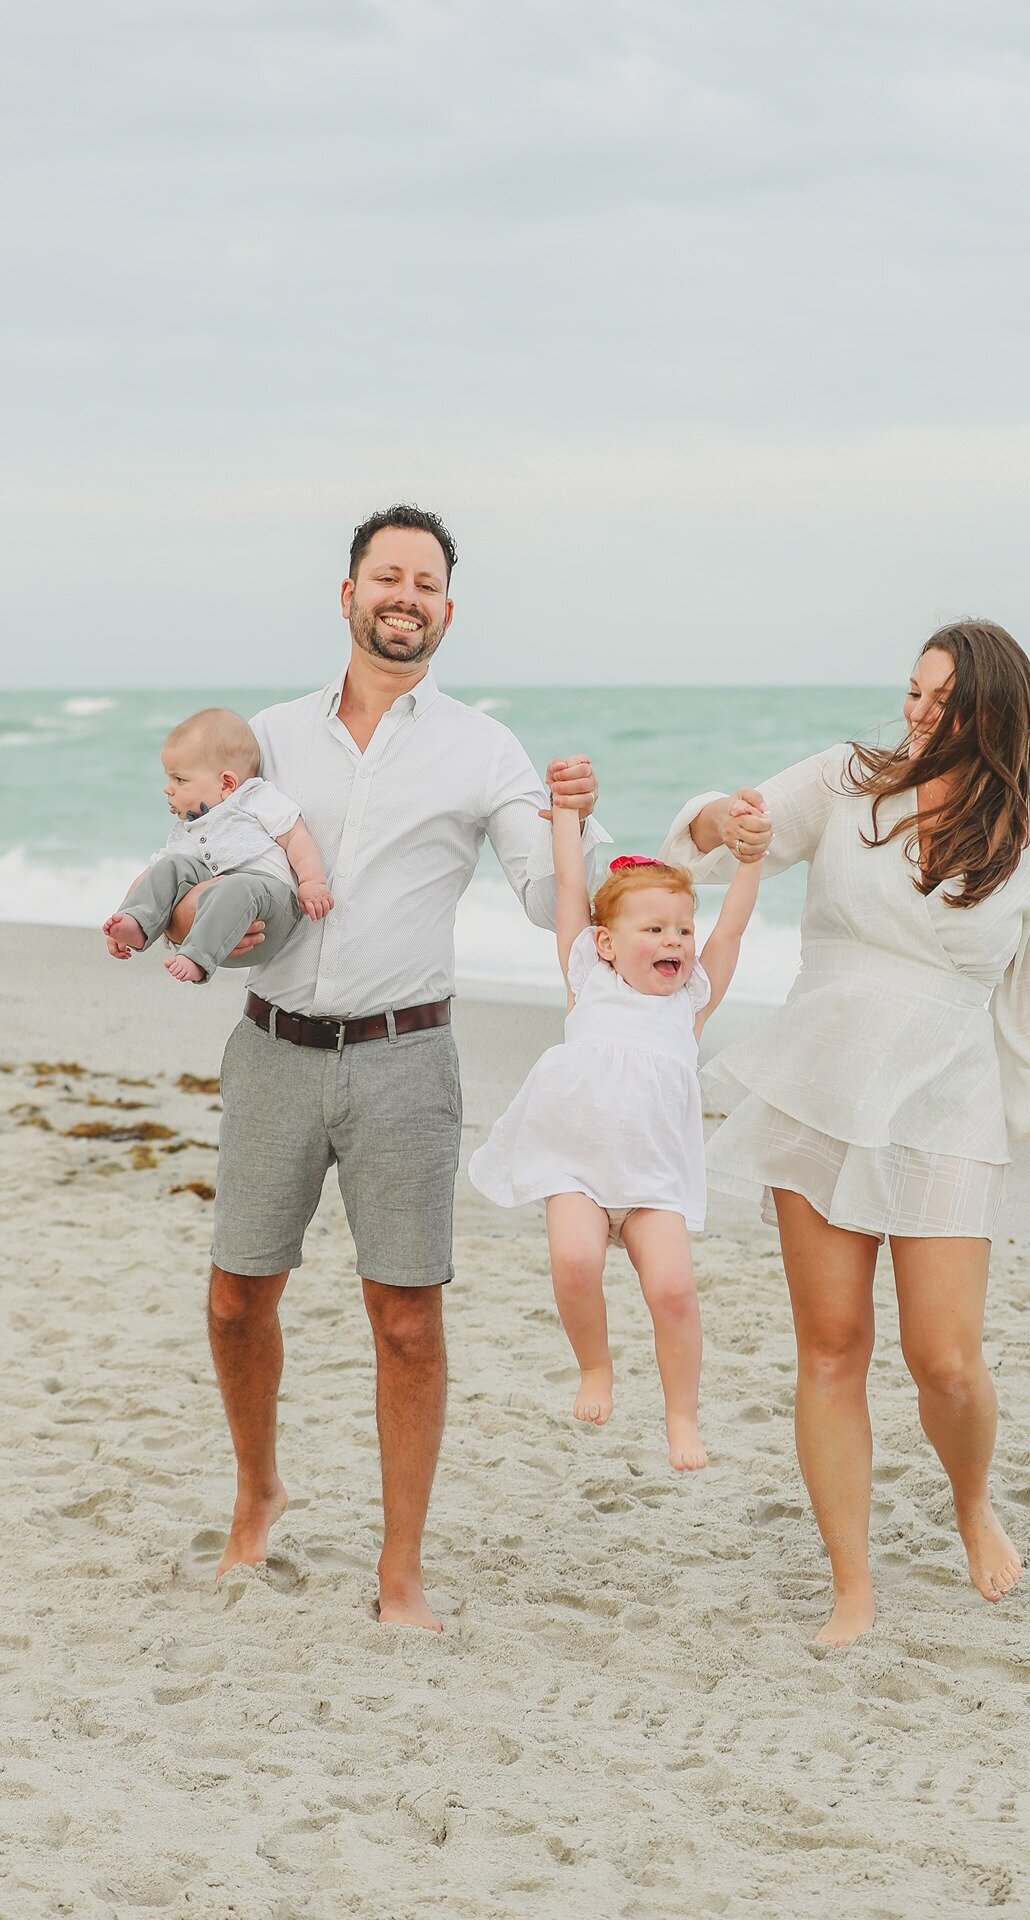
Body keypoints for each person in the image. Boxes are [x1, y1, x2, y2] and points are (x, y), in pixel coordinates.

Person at [165, 504, 605, 1632]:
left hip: (407, 1059)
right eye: (385, 576)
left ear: (447, 611)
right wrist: (198, 908)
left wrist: (583, 830)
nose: (403, 596)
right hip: (273, 1050)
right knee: (233, 1297)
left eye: (425, 582)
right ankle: (258, 1492)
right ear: (348, 594)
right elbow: (197, 860)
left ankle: (399, 1569)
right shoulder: (266, 736)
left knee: (406, 1319)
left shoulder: (483, 749)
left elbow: (555, 902)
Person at [662, 621, 1030, 1644]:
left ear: (994, 718)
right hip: (818, 1082)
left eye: (943, 704)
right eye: (912, 693)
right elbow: (725, 828)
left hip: (946, 1103)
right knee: (834, 1348)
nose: (918, 716)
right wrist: (731, 822)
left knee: (946, 1359)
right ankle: (853, 1586)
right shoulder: (849, 783)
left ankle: (971, 1502)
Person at [469, 797, 766, 1471]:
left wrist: (748, 863)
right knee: (575, 1262)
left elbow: (732, 933)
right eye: (654, 929)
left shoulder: (689, 1002)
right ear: (606, 944)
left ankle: (680, 1417)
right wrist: (569, 821)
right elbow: (572, 891)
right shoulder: (587, 981)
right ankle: (595, 1368)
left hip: (652, 1179)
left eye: (681, 931)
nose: (674, 942)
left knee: (672, 1292)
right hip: (572, 1166)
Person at [102, 706, 332, 983]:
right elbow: (152, 877)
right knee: (171, 866)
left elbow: (295, 835)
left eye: (180, 779)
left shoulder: (254, 798)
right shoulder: (192, 828)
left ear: (226, 783)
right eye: (168, 778)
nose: (167, 788)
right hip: (224, 914)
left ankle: (197, 958)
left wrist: (312, 882)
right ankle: (139, 925)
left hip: (271, 906)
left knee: (235, 886)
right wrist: (123, 913)